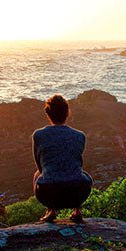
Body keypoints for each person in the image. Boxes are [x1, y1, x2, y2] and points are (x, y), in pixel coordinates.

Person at [32, 94, 93, 223]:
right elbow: (76, 161)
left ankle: (51, 210)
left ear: (48, 114)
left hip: (48, 193)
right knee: (83, 173)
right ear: (67, 113)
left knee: (38, 175)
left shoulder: (38, 135)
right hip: (77, 192)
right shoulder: (80, 136)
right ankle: (77, 210)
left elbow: (40, 166)